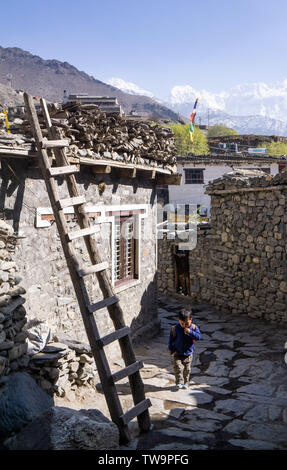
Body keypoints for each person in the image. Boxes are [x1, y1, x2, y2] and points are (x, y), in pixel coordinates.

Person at [168, 308, 201, 390]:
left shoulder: (193, 328)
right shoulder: (175, 328)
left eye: (186, 323)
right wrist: (170, 348)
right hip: (177, 352)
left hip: (188, 353)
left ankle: (186, 382)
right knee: (178, 368)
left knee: (187, 369)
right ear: (179, 320)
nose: (184, 325)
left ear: (190, 320)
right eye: (182, 323)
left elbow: (199, 337)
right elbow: (171, 340)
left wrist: (190, 332)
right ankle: (179, 382)